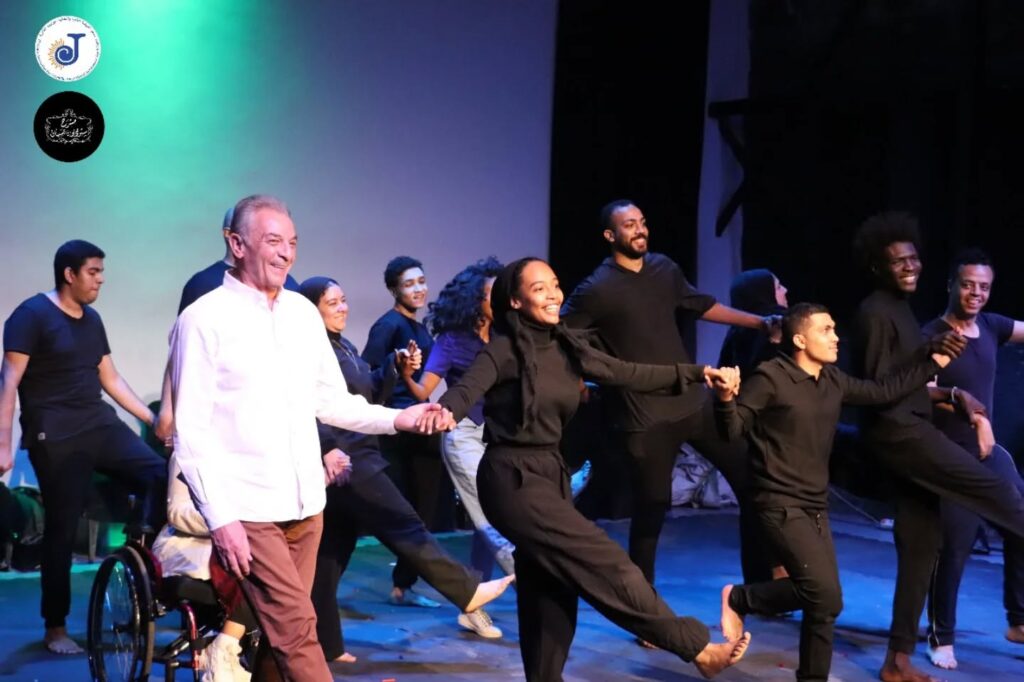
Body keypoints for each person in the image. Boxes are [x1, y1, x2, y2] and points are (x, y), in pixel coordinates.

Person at [168, 195, 450, 681]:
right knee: (298, 632)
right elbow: (189, 432)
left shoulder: (301, 313)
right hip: (250, 509)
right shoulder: (203, 320)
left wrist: (400, 419)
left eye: (293, 243)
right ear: (236, 244)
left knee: (280, 639)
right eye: (273, 241)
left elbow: (331, 401)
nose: (286, 253)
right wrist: (221, 519)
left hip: (305, 506)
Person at [429, 257, 750, 681]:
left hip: (551, 472)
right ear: (516, 301)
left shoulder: (567, 345)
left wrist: (697, 373)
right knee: (606, 561)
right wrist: (445, 410)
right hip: (511, 477)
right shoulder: (503, 349)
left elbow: (626, 372)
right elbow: (468, 386)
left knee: (551, 584)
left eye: (555, 284)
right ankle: (697, 649)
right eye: (539, 288)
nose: (553, 295)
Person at [713, 303, 951, 682]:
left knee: (826, 602)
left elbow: (883, 391)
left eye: (835, 329)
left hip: (814, 504)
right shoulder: (771, 377)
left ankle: (763, 621)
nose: (836, 337)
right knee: (821, 593)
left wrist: (931, 362)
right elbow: (732, 431)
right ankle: (742, 599)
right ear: (799, 340)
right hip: (777, 502)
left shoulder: (832, 380)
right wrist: (726, 400)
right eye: (826, 330)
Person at [561, 199, 781, 595]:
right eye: (630, 225)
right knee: (652, 506)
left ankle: (761, 584)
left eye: (642, 222)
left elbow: (701, 305)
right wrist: (578, 381)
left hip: (693, 403)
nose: (640, 230)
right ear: (610, 235)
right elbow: (563, 336)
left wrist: (760, 323)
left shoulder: (663, 268)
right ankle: (641, 596)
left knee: (752, 479)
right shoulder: (597, 288)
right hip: (646, 417)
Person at [299, 276, 514, 662]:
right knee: (404, 524)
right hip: (348, 457)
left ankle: (324, 644)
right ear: (310, 311)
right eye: (333, 303)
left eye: (344, 299)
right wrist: (327, 448)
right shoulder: (311, 352)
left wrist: (394, 369)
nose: (343, 307)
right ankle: (466, 591)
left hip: (360, 451)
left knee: (330, 556)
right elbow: (303, 407)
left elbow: (367, 398)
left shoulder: (344, 346)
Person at [851, 212, 1024, 682]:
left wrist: (950, 390)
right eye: (898, 262)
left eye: (913, 259)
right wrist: (937, 368)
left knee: (920, 546)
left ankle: (897, 661)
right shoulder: (876, 313)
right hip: (902, 434)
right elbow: (879, 391)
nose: (910, 267)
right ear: (877, 266)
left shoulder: (900, 310)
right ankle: (935, 638)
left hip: (911, 429)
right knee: (1000, 497)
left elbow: (906, 378)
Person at [0, 240, 167, 655]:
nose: (100, 280)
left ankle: (137, 561)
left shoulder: (92, 319)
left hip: (97, 423)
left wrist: (153, 422)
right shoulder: (30, 316)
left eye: (101, 272)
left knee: (159, 475)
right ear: (69, 274)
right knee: (62, 526)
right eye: (93, 272)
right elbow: (8, 383)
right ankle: (55, 628)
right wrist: (3, 444)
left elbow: (109, 378)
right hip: (54, 433)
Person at [923, 249, 1024, 670]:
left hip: (988, 451)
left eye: (984, 286)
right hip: (951, 455)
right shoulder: (934, 334)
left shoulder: (992, 326)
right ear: (951, 285)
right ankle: (941, 637)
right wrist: (968, 409)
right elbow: (921, 389)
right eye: (968, 285)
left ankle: (1018, 620)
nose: (976, 293)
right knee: (956, 546)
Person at [402, 256, 518, 578]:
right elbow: (423, 391)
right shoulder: (452, 341)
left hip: (498, 435)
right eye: (490, 295)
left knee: (498, 512)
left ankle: (478, 591)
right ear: (474, 300)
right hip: (464, 434)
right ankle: (528, 581)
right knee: (487, 514)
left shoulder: (505, 337)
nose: (498, 300)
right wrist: (407, 374)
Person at [361, 256, 445, 607]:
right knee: (407, 512)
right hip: (398, 429)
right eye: (409, 284)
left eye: (421, 281)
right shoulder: (388, 325)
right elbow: (367, 373)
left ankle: (403, 586)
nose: (418, 289)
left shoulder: (419, 327)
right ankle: (403, 585)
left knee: (422, 511)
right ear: (394, 290)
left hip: (420, 425)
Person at [151, 453, 257, 682]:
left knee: (273, 562)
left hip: (251, 539)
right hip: (190, 544)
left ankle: (226, 648)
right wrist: (225, 522)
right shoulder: (189, 451)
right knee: (250, 563)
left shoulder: (252, 452)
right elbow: (177, 513)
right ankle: (223, 652)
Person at [718, 269, 788, 377]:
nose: (785, 290)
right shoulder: (781, 321)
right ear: (765, 292)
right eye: (778, 287)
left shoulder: (734, 334)